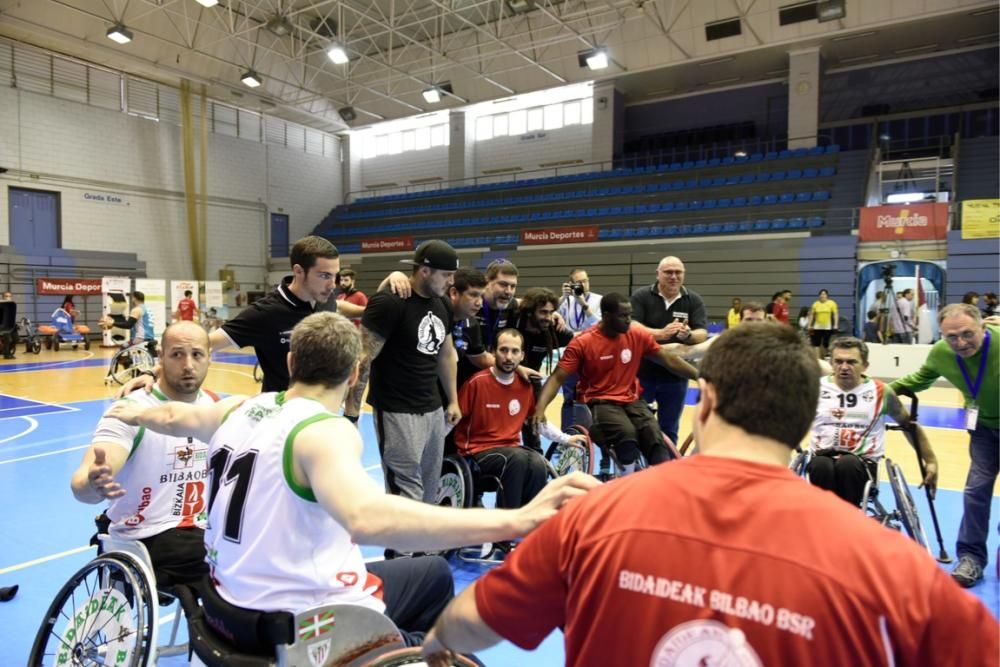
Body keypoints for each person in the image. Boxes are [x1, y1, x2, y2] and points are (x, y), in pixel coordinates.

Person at [421, 323, 997, 667]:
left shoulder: (594, 514)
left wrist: (436, 640)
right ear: (804, 422)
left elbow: (465, 625)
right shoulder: (893, 568)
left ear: (708, 404)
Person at [106, 312, 598, 647]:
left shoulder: (239, 406)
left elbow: (172, 416)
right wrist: (517, 519)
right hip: (294, 619)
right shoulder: (324, 432)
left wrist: (133, 403)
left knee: (430, 575)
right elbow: (366, 519)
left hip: (223, 602)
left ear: (293, 362)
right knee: (442, 636)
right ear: (357, 372)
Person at [70, 321, 216, 587]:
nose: (188, 365)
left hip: (199, 532)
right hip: (141, 539)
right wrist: (93, 483)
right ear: (160, 358)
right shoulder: (130, 409)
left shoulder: (216, 406)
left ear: (209, 358)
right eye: (176, 354)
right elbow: (82, 483)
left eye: (197, 354)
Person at [346, 240, 461, 506]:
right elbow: (363, 361)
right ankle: (401, 549)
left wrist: (452, 399)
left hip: (432, 409)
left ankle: (421, 547)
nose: (450, 282)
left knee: (429, 487)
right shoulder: (390, 302)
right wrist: (351, 416)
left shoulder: (442, 303)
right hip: (397, 410)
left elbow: (445, 354)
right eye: (446, 275)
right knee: (405, 489)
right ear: (424, 271)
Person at [891, 303, 999, 588]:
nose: (960, 343)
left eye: (967, 334)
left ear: (983, 327)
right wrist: (878, 392)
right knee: (976, 490)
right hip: (984, 429)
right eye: (951, 336)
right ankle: (971, 557)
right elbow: (919, 379)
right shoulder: (941, 352)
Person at [535, 293, 698, 472]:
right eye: (623, 316)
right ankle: (626, 482)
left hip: (632, 400)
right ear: (606, 316)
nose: (629, 320)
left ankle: (655, 485)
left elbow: (669, 360)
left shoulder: (636, 334)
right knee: (626, 436)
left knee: (656, 440)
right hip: (598, 401)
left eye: (630, 315)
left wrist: (701, 376)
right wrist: (540, 408)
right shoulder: (583, 342)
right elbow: (557, 377)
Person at [455, 329, 586, 513]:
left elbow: (537, 422)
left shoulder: (525, 386)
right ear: (493, 351)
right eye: (503, 350)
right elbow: (452, 420)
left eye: (515, 351)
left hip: (511, 451)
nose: (509, 357)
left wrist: (565, 439)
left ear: (522, 355)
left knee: (537, 462)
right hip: (476, 453)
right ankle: (505, 530)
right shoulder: (476, 383)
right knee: (517, 459)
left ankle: (527, 524)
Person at [806, 337, 937, 507]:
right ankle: (826, 515)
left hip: (861, 463)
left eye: (852, 362)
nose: (844, 367)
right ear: (831, 363)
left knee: (847, 464)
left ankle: (847, 518)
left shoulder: (881, 392)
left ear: (865, 365)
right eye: (838, 361)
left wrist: (931, 461)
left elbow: (908, 425)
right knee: (820, 464)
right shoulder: (816, 388)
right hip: (822, 458)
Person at [630, 256, 707, 445]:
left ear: (684, 275)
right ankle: (639, 469)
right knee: (638, 426)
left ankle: (665, 467)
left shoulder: (693, 299)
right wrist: (660, 334)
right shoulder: (641, 296)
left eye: (678, 272)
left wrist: (688, 336)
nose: (673, 276)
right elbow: (631, 325)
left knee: (669, 429)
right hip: (642, 374)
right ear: (658, 274)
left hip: (676, 377)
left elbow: (702, 332)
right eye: (668, 272)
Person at [558, 269, 602, 430]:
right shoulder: (565, 301)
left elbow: (599, 325)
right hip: (570, 357)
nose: (582, 285)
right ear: (571, 284)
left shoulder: (598, 300)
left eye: (585, 281)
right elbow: (552, 316)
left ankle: (594, 437)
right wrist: (563, 297)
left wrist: (583, 304)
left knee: (594, 398)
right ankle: (567, 436)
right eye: (578, 282)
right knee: (569, 398)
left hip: (592, 357)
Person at [807, 289, 839, 359]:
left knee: (825, 343)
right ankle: (818, 359)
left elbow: (835, 314)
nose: (822, 295)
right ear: (819, 296)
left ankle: (825, 357)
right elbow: (812, 315)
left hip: (827, 326)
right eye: (821, 294)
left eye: (824, 294)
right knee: (816, 343)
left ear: (827, 295)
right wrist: (809, 325)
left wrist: (836, 324)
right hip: (817, 326)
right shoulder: (815, 304)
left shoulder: (832, 303)